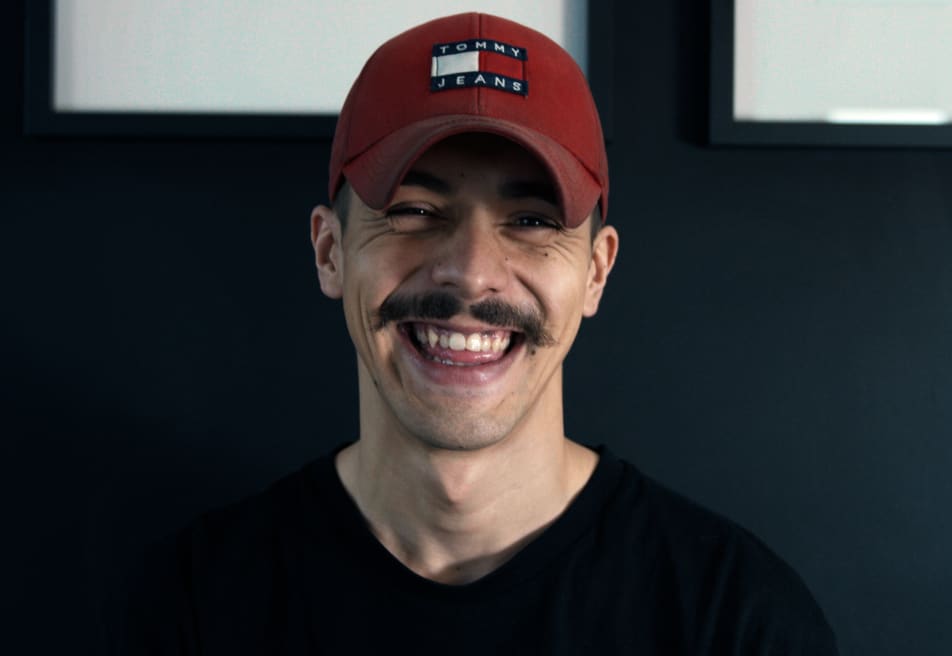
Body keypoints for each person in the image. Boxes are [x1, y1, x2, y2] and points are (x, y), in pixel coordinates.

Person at [125, 13, 838, 655]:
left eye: (530, 221)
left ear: (595, 271)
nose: (470, 274)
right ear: (330, 252)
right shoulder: (196, 603)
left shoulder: (737, 620)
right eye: (414, 210)